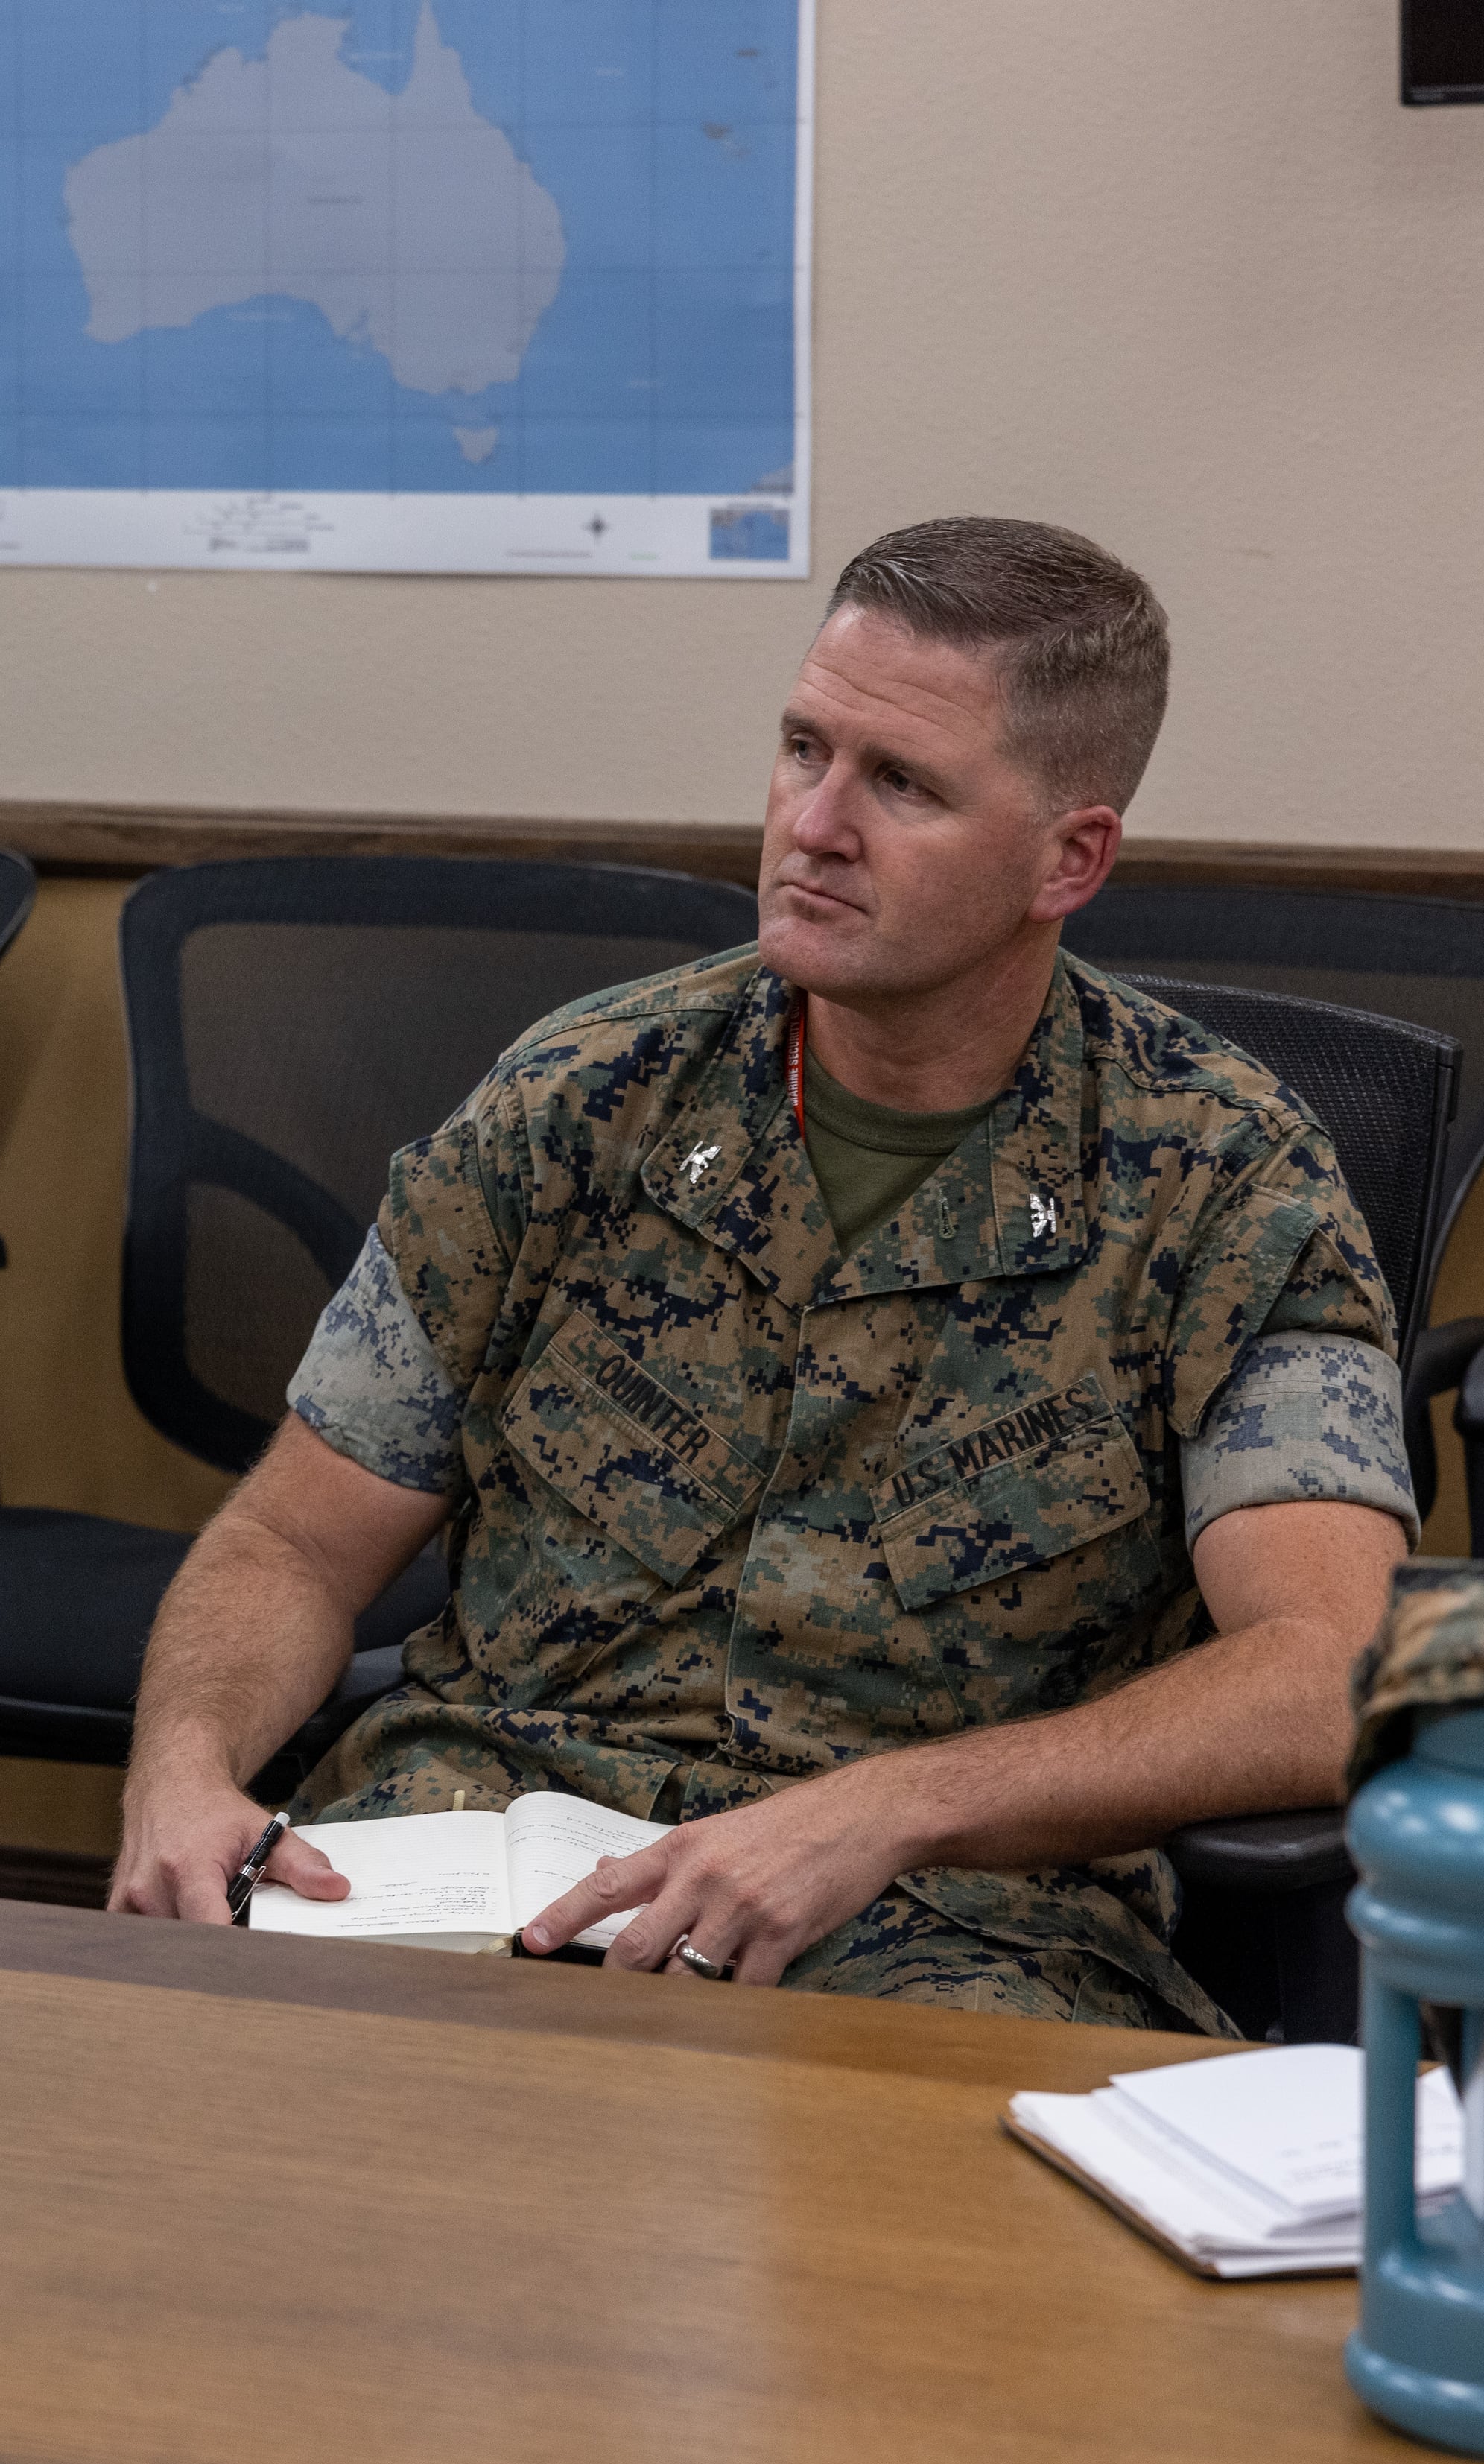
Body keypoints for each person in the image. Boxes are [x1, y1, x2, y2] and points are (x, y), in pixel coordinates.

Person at [110, 518, 1415, 2032]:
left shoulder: (1219, 1178)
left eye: (900, 783)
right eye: (804, 750)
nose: (814, 825)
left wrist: (889, 1810)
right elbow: (293, 1539)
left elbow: (1328, 1669)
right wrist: (180, 1772)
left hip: (938, 1915)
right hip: (480, 1855)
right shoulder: (584, 1099)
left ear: (1071, 857)